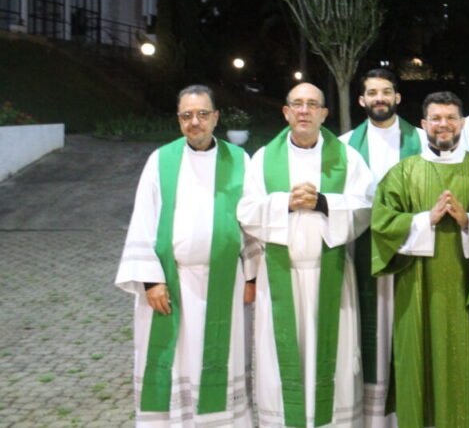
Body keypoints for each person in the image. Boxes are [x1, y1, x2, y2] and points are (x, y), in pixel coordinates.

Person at [116, 84, 255, 426]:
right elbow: (143, 220)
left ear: (216, 117)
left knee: (223, 361)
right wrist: (151, 280)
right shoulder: (160, 160)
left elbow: (252, 221)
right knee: (174, 359)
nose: (195, 122)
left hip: (224, 283)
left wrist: (251, 274)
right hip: (172, 285)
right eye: (187, 115)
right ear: (179, 120)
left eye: (202, 114)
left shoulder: (239, 160)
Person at [238, 83, 374, 428]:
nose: (304, 111)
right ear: (285, 112)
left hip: (330, 278)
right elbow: (247, 211)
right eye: (296, 104)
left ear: (324, 114)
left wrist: (323, 202)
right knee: (282, 362)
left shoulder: (347, 157)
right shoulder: (263, 159)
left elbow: (365, 206)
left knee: (335, 361)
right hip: (280, 276)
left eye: (312, 104)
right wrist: (285, 202)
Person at [371, 91, 469, 427]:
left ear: (462, 123)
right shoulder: (403, 172)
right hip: (417, 290)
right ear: (424, 124)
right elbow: (382, 224)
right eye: (436, 119)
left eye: (451, 118)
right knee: (419, 361)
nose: (444, 125)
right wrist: (423, 220)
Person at [340, 68, 425, 427]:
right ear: (361, 100)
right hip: (366, 254)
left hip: (415, 250)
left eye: (386, 92)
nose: (379, 98)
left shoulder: (422, 140)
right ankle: (374, 418)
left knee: (412, 332)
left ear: (398, 98)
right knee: (372, 335)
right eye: (372, 93)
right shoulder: (344, 145)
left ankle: (413, 412)